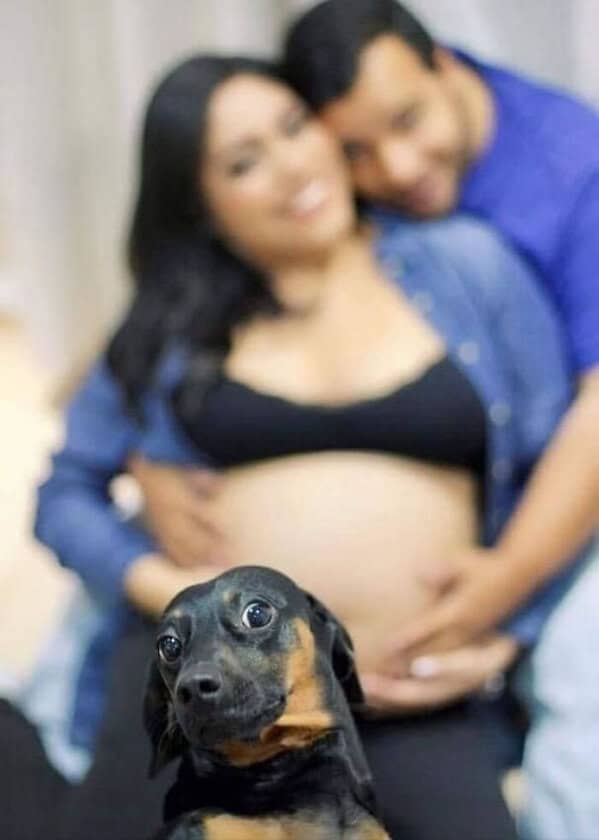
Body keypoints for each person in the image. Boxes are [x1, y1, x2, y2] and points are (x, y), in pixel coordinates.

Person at [12, 54, 577, 839]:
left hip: (406, 694)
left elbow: (564, 478)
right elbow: (64, 495)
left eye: (294, 127)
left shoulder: (466, 266)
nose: (292, 167)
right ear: (202, 205)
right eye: (244, 162)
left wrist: (505, 633)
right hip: (204, 693)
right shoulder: (168, 323)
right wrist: (160, 581)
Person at [280, 4, 599, 837]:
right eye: (356, 150)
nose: (396, 167)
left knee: (584, 693)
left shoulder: (575, 169)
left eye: (408, 121)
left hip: (566, 483)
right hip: (460, 470)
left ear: (446, 66)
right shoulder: (337, 190)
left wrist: (508, 591)